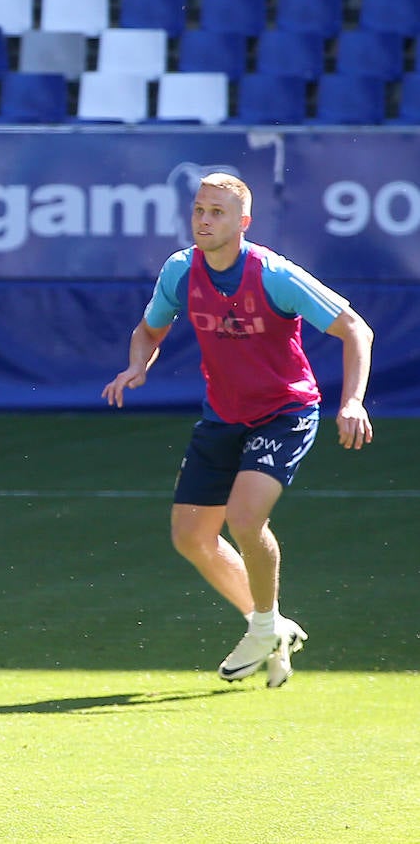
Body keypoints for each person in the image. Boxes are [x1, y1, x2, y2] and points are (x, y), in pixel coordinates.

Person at [102, 171, 374, 688]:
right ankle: (269, 626)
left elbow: (356, 328)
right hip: (223, 415)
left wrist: (353, 401)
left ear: (243, 223)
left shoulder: (274, 275)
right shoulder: (180, 271)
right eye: (200, 210)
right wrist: (138, 364)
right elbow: (149, 330)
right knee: (190, 537)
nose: (204, 220)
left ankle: (266, 626)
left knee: (244, 519)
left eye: (217, 212)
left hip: (285, 412)